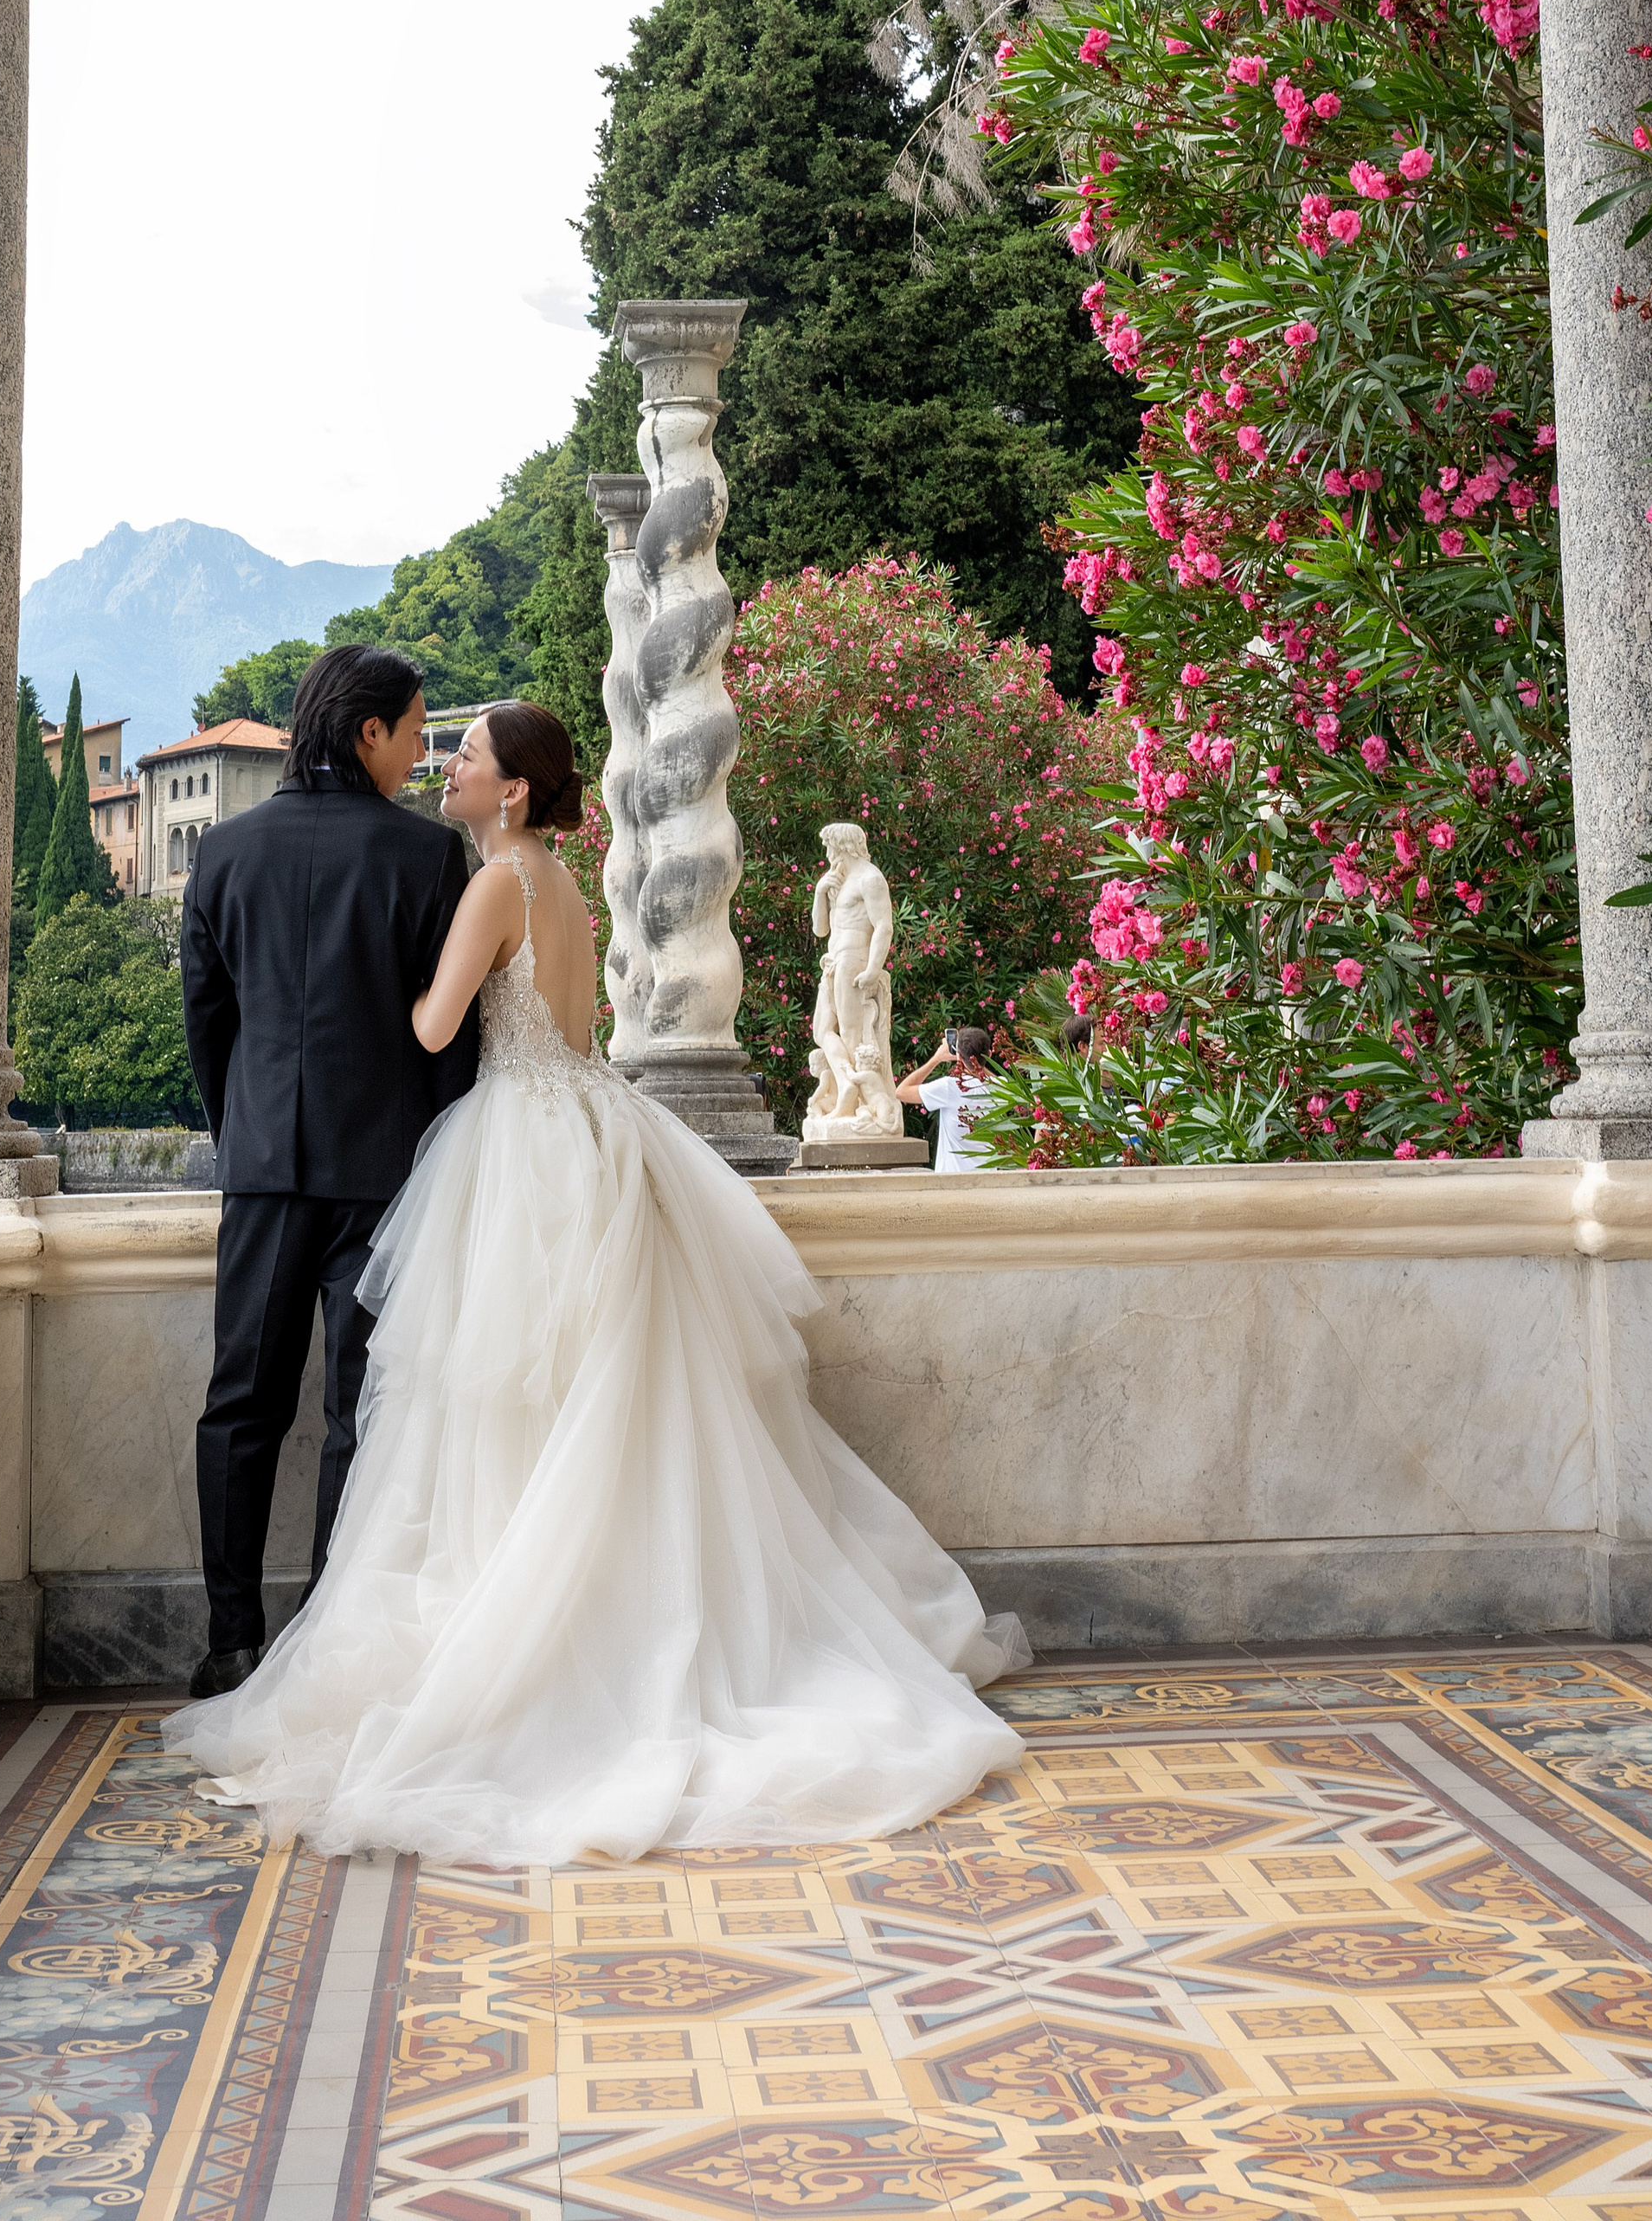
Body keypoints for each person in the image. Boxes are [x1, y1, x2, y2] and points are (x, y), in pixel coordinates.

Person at [165, 700, 1028, 1862]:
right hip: (588, 1128)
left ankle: (519, 1642)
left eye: (464, 757)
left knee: (497, 1409)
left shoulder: (492, 885)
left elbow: (430, 1032)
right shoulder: (561, 882)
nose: (446, 767)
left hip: (515, 1143)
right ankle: (596, 1632)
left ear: (512, 789)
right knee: (591, 1409)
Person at [177, 644, 477, 1703]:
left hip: (261, 1170)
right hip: (383, 1176)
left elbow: (207, 1025)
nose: (420, 752)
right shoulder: (430, 857)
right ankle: (323, 1643)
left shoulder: (223, 853)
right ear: (366, 733)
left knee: (239, 1405)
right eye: (414, 731)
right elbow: (454, 1046)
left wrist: (245, 1135)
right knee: (361, 1412)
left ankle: (230, 1642)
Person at [899, 1026, 999, 1173]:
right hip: (989, 1181)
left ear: (958, 1057)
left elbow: (901, 1092)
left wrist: (936, 1059)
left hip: (952, 1182)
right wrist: (977, 1065)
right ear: (989, 1054)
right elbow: (1005, 1086)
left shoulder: (949, 1087)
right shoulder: (1001, 1088)